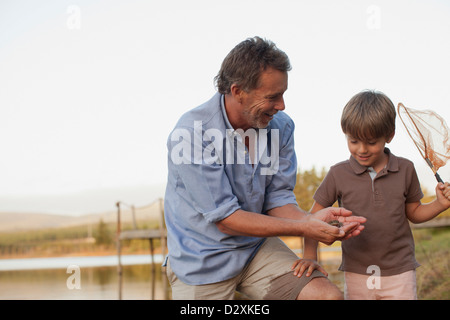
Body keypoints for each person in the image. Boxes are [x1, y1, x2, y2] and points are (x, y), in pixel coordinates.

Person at [163, 36, 366, 300]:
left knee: (327, 297)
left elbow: (277, 200)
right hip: (201, 262)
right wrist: (305, 228)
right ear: (237, 91)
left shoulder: (280, 127)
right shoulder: (191, 134)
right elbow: (227, 220)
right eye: (272, 97)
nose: (281, 105)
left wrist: (312, 220)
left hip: (255, 250)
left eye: (283, 94)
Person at [292, 90, 450, 300]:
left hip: (400, 270)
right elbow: (313, 220)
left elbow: (415, 213)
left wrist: (439, 204)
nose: (362, 149)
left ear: (389, 135)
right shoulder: (338, 174)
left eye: (371, 142)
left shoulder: (405, 169)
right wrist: (310, 256)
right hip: (357, 271)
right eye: (354, 141)